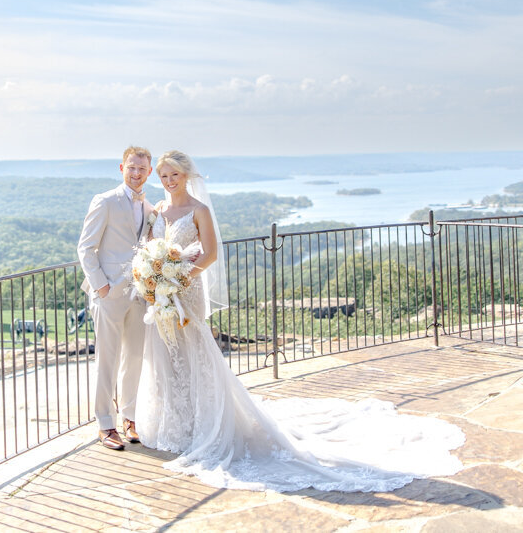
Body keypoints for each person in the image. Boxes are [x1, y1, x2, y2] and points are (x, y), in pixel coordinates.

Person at [133, 150, 464, 491]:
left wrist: (182, 277)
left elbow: (212, 253)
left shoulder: (198, 210)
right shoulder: (158, 209)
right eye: (164, 176)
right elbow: (149, 249)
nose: (169, 181)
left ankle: (208, 426)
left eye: (174, 175)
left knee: (196, 355)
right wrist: (153, 277)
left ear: (186, 175)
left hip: (186, 292)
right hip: (161, 296)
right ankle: (173, 426)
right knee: (166, 357)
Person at [77, 146, 155, 450]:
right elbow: (86, 248)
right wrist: (101, 288)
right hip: (109, 294)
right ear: (121, 168)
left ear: (149, 172)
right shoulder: (105, 201)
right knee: (107, 360)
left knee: (134, 357)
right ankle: (105, 424)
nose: (136, 174)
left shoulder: (149, 209)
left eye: (141, 169)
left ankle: (130, 418)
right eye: (131, 167)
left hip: (139, 295)